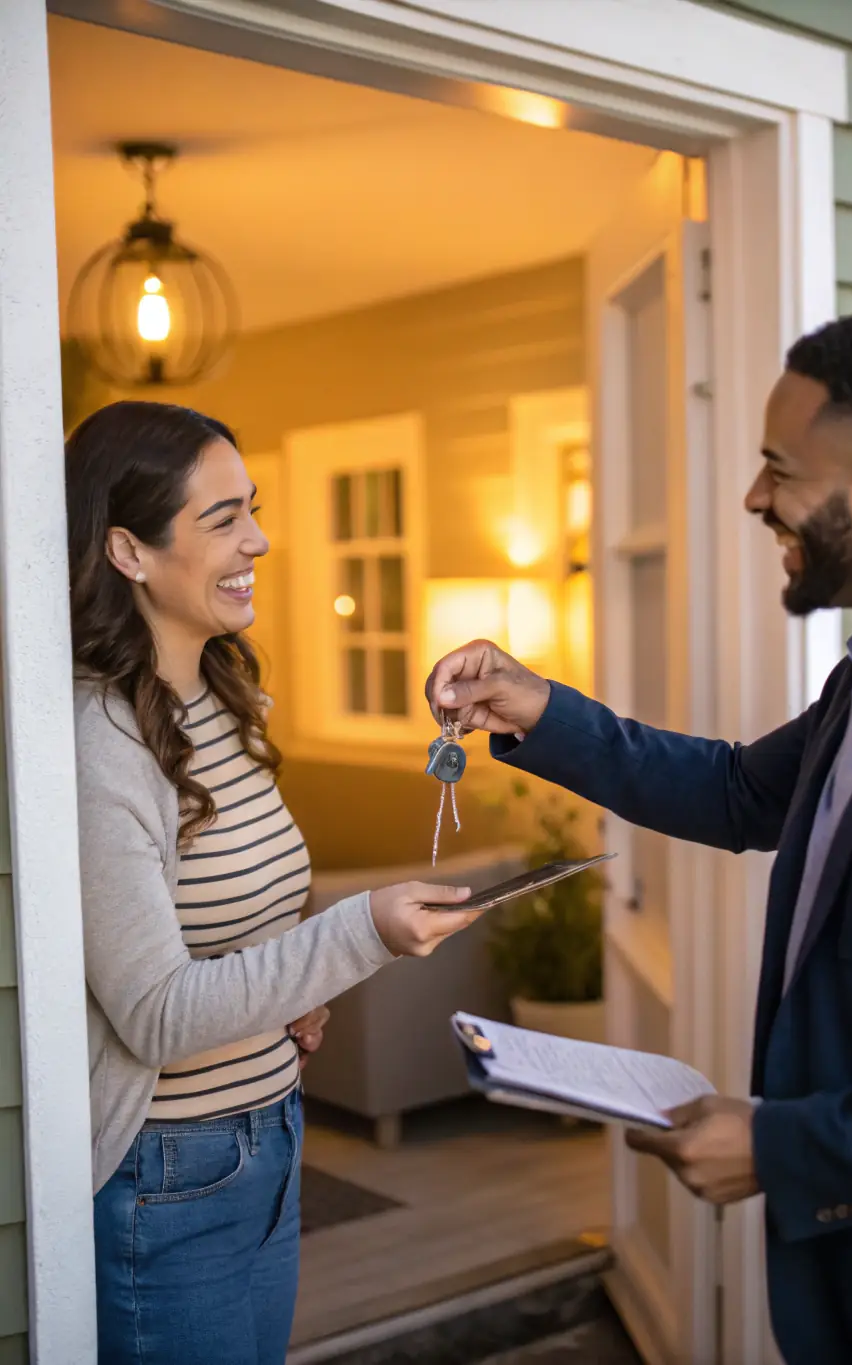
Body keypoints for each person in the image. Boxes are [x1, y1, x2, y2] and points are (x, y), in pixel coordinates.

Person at [426, 311, 852, 1365]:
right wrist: (536, 707)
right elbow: (745, 790)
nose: (754, 498)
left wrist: (785, 1148)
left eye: (777, 470)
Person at [68, 401, 478, 1365]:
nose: (257, 539)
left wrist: (294, 993)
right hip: (170, 1176)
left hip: (275, 1138)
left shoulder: (224, 694)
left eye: (251, 508)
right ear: (128, 551)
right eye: (221, 519)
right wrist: (358, 934)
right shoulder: (100, 744)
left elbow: (240, 931)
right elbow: (157, 1012)